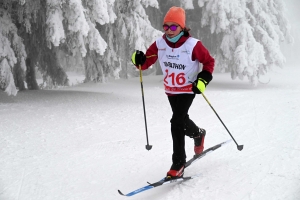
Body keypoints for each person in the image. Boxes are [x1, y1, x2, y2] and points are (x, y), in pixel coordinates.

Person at [131, 6, 215, 178]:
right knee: (182, 119)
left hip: (188, 89)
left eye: (174, 27)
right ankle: (198, 134)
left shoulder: (193, 45)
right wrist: (138, 59)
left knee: (176, 121)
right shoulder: (160, 45)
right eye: (166, 26)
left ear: (182, 27)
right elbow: (145, 63)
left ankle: (178, 163)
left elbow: (208, 62)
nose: (169, 31)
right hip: (171, 90)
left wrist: (203, 79)